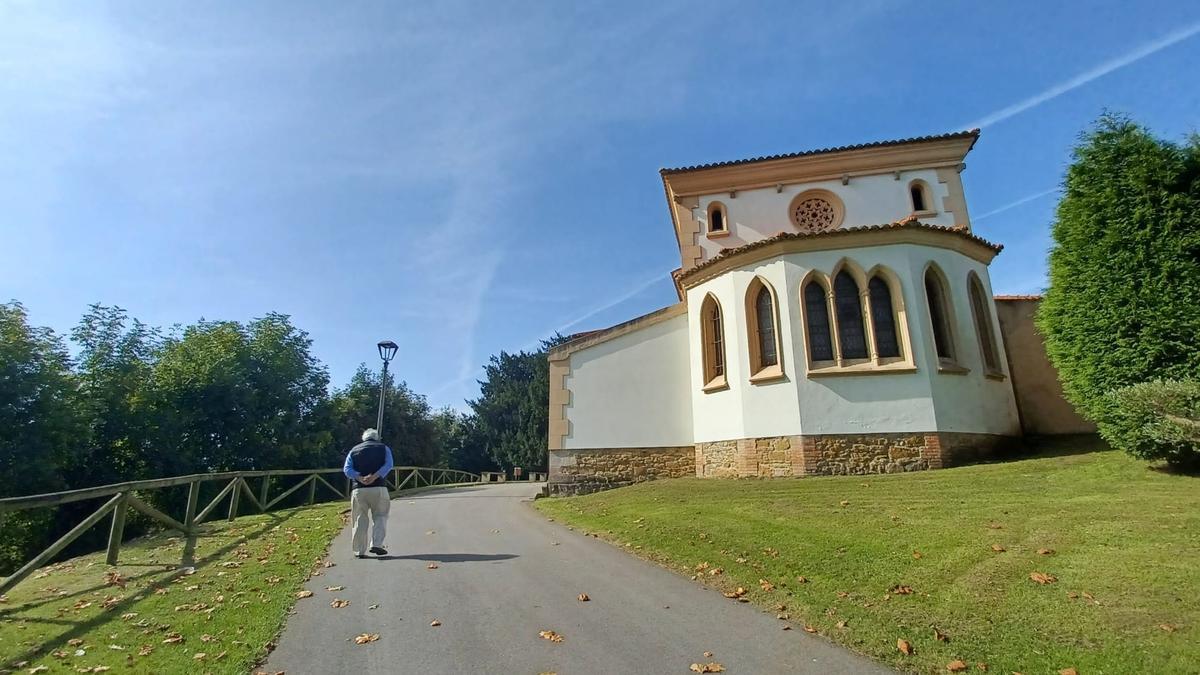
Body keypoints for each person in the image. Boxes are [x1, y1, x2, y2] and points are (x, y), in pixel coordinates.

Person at [343, 428, 394, 558]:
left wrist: (360, 477)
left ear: (363, 438)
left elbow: (347, 469)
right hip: (378, 488)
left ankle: (359, 550)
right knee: (381, 516)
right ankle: (376, 544)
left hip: (359, 489)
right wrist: (375, 476)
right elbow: (388, 465)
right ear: (376, 438)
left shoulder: (354, 450)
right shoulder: (384, 448)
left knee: (359, 519)